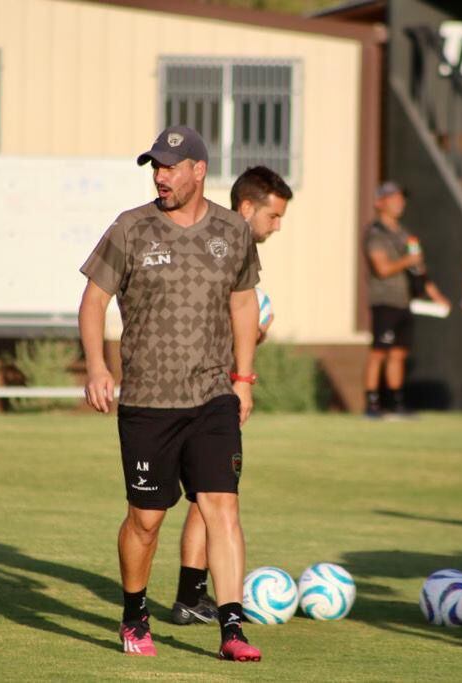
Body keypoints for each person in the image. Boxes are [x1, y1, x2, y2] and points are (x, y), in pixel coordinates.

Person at [78, 125, 262, 661]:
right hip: (148, 403)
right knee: (147, 518)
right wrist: (96, 367)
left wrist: (243, 379)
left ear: (198, 171)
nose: (161, 176)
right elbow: (93, 303)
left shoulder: (233, 230)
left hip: (212, 396)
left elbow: (244, 303)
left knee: (222, 507)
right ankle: (134, 614)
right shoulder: (131, 228)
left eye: (170, 166)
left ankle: (232, 627)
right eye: (155, 166)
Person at [169, 165, 293, 627]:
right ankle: (194, 600)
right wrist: (246, 349)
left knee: (210, 494)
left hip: (214, 387)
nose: (276, 226)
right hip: (201, 391)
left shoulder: (230, 245)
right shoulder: (216, 244)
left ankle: (190, 596)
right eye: (274, 216)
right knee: (211, 496)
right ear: (247, 208)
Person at [363, 181, 451, 419]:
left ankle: (396, 402)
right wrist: (407, 261)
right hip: (385, 300)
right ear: (379, 203)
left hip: (405, 301)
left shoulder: (404, 234)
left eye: (401, 198)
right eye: (393, 198)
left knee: (399, 353)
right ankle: (372, 403)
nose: (399, 203)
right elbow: (382, 268)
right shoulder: (376, 233)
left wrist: (437, 297)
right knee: (380, 352)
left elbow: (419, 272)